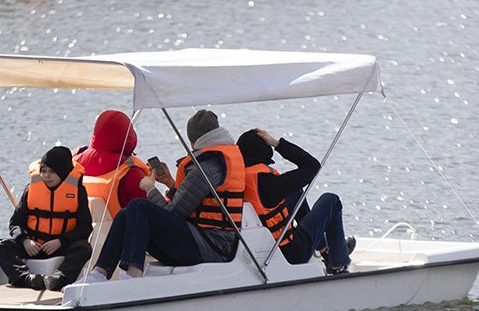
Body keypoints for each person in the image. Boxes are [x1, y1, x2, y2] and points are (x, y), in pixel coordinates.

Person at [91, 109, 245, 279]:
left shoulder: (205, 166)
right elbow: (193, 200)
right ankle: (100, 273)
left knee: (137, 206)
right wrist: (170, 183)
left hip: (212, 247)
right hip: (205, 240)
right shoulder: (216, 158)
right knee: (125, 214)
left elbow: (173, 214)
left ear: (193, 141)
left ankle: (133, 274)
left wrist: (150, 189)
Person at [238, 128, 355, 274]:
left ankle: (324, 249)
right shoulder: (271, 184)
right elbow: (312, 166)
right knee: (332, 200)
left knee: (295, 192)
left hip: (262, 249)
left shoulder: (236, 181)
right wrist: (277, 143)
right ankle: (338, 263)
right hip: (292, 253)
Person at [0, 145, 94, 293]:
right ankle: (27, 279)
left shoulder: (78, 192)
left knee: (84, 248)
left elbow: (85, 228)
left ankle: (59, 279)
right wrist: (25, 240)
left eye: (52, 172)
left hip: (61, 247)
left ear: (64, 173)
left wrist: (60, 241)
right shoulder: (31, 190)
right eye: (44, 170)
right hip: (34, 247)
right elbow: (15, 223)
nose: (46, 175)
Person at [76, 109, 155, 218]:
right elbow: (150, 215)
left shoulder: (74, 163)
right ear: (129, 134)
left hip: (84, 232)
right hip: (123, 233)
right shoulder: (132, 173)